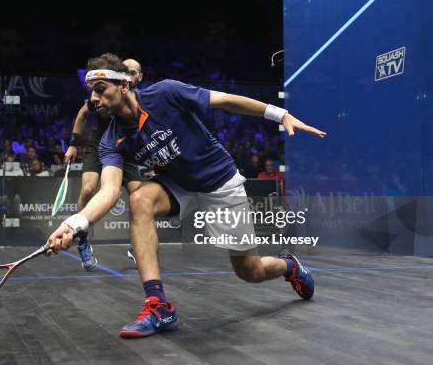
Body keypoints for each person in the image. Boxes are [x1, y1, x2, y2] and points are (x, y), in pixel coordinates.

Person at [46, 53, 326, 338]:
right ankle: (158, 306)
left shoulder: (166, 93)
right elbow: (107, 191)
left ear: (124, 86)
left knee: (250, 271)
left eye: (100, 89)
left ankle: (290, 266)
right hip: (178, 185)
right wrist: (73, 224)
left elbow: (226, 101)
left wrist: (280, 114)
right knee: (139, 200)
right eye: (91, 92)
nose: (94, 99)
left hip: (219, 182)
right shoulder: (111, 141)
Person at [64, 56, 145, 270]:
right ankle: (83, 240)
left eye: (133, 71)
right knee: (89, 189)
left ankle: (137, 244)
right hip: (97, 145)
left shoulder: (142, 100)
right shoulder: (103, 94)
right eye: (126, 70)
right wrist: (73, 144)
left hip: (124, 149)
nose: (129, 74)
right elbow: (82, 114)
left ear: (138, 78)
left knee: (140, 195)